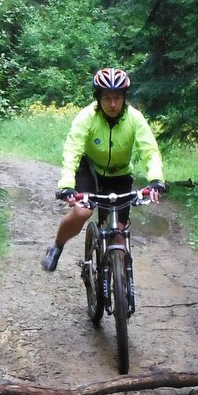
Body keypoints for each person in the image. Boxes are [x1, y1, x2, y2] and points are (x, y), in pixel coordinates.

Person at [41, 68, 168, 272]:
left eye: (117, 98)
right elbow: (73, 149)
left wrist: (156, 180)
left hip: (119, 175)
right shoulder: (87, 117)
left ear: (124, 98)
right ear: (98, 98)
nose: (112, 104)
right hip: (90, 170)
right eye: (107, 98)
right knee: (82, 212)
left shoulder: (134, 118)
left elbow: (150, 150)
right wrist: (67, 185)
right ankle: (57, 246)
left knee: (118, 235)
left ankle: (118, 281)